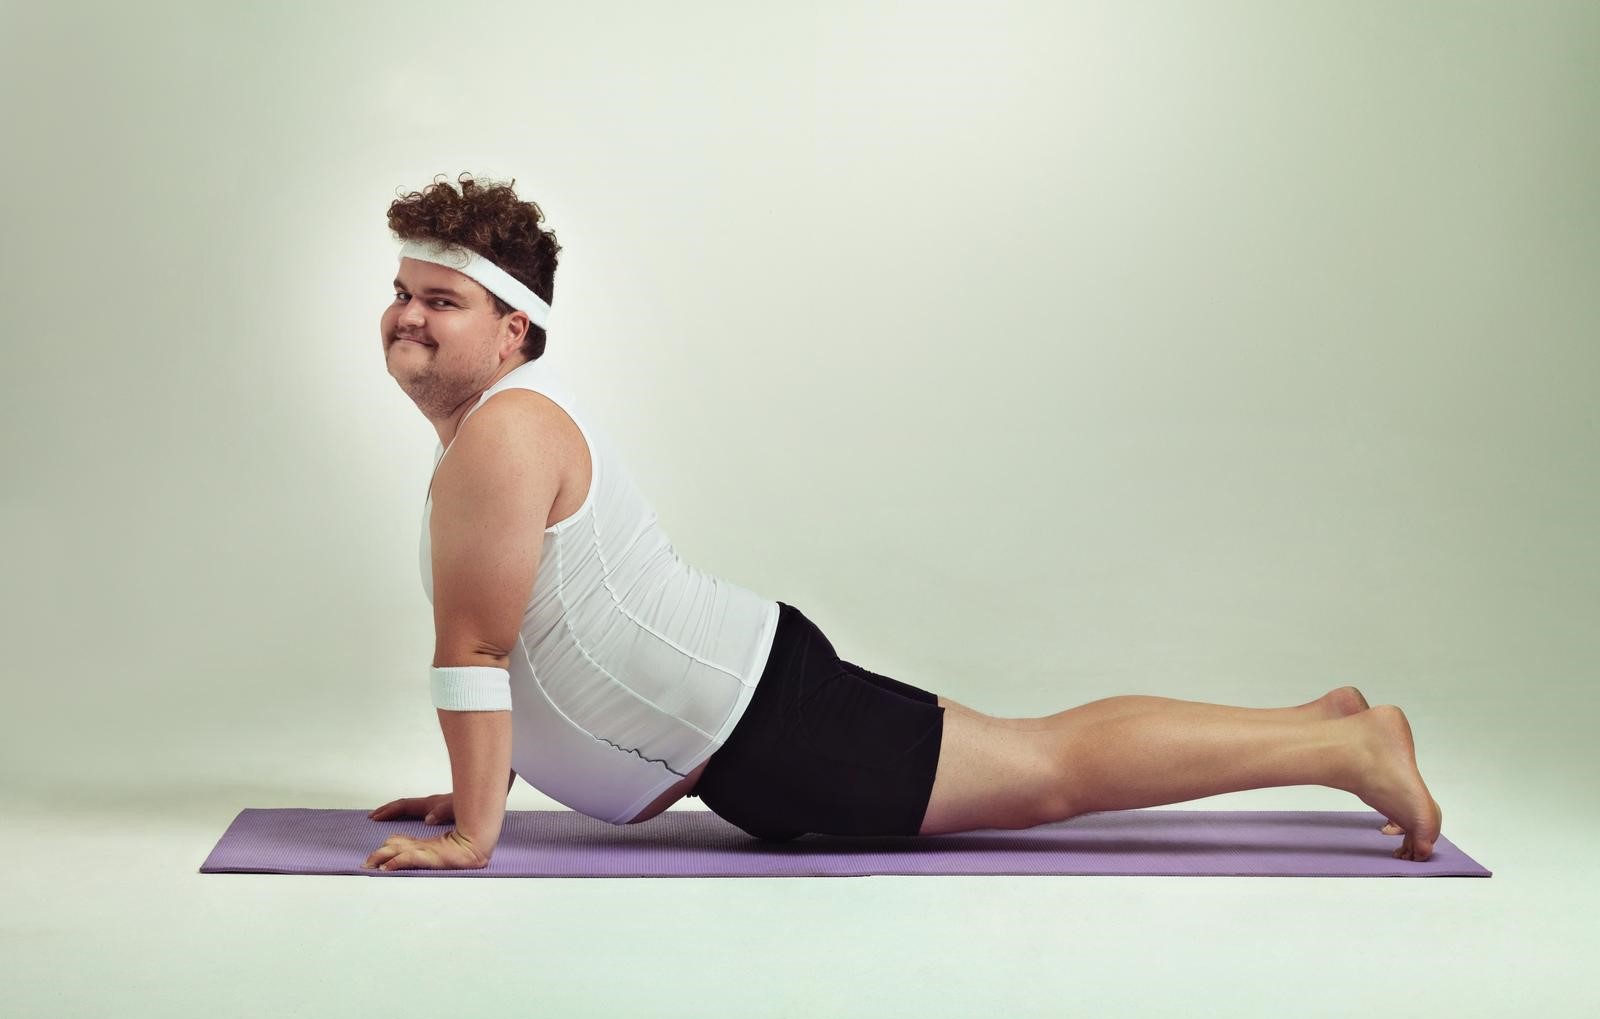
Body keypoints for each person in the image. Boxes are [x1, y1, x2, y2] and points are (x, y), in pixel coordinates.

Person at [362, 173, 1444, 872]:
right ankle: (1319, 719)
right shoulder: (489, 436)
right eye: (402, 289)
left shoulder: (503, 436)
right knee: (1040, 757)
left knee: (1048, 769)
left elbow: (481, 647)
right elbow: (534, 632)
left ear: (512, 331)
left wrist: (472, 835)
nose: (407, 313)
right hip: (751, 722)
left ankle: (1347, 743)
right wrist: (474, 782)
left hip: (768, 722)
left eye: (440, 300)